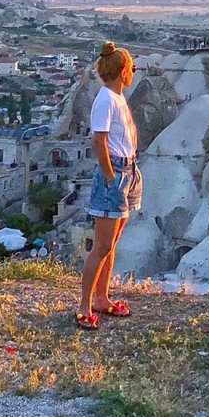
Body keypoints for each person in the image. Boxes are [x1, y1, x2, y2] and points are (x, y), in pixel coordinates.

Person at [77, 42, 140, 331]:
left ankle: (102, 298)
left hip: (127, 170)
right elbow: (99, 141)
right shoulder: (105, 100)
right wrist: (111, 177)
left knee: (111, 244)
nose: (134, 72)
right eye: (132, 68)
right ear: (123, 71)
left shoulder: (117, 96)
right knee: (101, 246)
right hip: (115, 173)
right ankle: (84, 306)